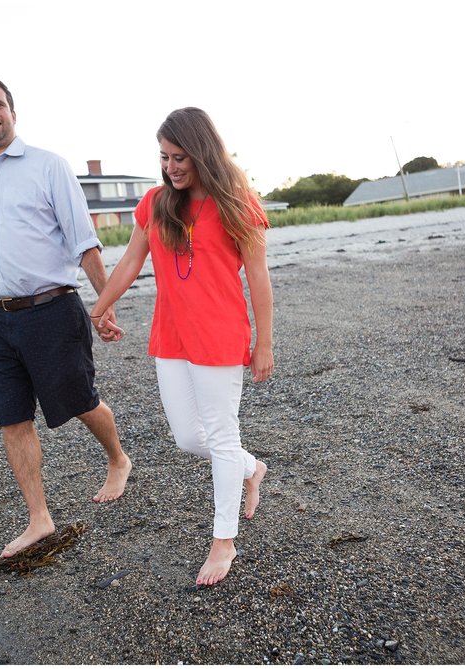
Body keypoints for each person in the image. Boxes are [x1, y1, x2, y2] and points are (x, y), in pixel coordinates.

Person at [89, 107, 273, 586]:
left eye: (179, 157)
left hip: (221, 335)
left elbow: (258, 278)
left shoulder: (236, 202)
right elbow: (131, 261)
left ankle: (224, 541)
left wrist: (265, 342)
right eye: (164, 157)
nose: (170, 167)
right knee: (189, 438)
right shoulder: (155, 203)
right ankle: (251, 469)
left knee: (221, 434)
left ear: (202, 152)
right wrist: (100, 307)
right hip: (171, 335)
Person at [0, 77, 131, 558]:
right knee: (12, 419)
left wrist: (104, 306)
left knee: (78, 400)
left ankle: (118, 459)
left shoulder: (48, 166)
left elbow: (83, 239)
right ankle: (39, 518)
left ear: (13, 112)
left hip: (51, 309)